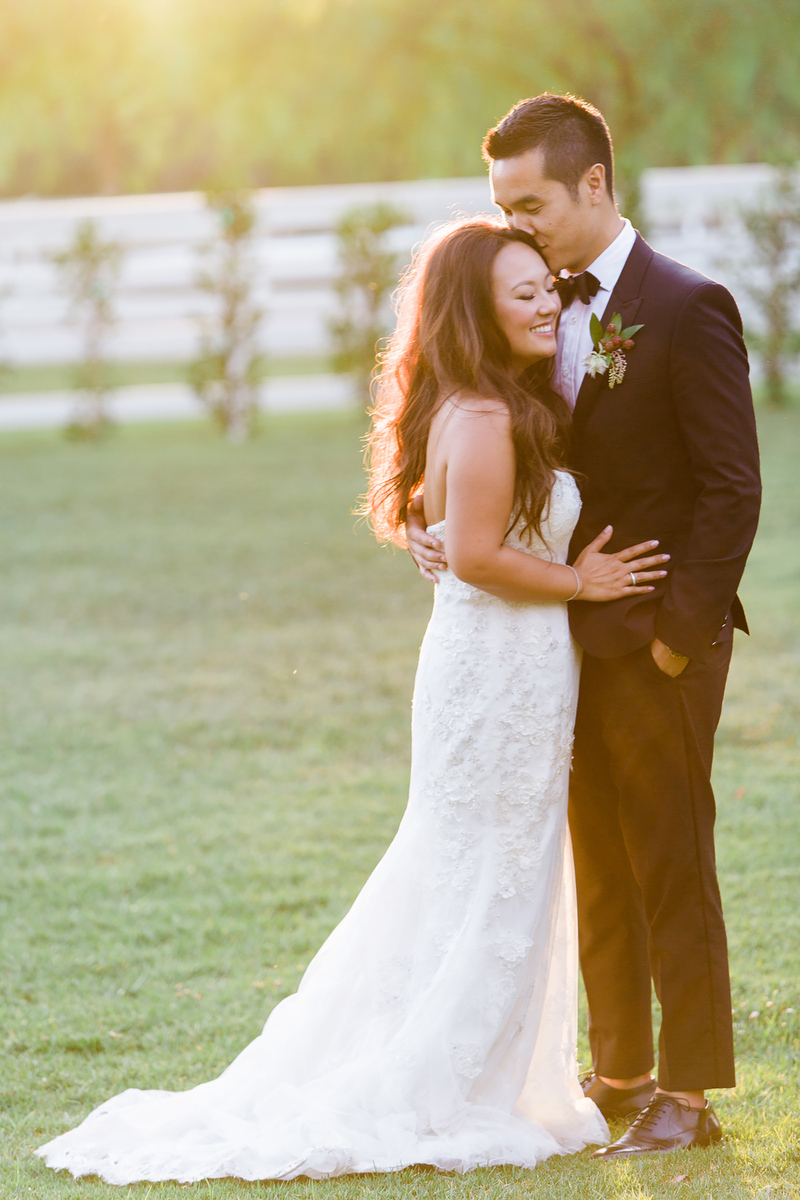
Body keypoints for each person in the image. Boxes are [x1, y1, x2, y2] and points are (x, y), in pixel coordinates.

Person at [36, 218, 670, 1185]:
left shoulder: (479, 401)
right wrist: (582, 584)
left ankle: (488, 1071)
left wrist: (445, 539)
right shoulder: (490, 415)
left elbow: (435, 518)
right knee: (490, 867)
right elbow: (475, 553)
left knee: (485, 865)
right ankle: (448, 1078)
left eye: (548, 285)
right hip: (500, 673)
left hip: (501, 663)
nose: (549, 301)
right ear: (476, 311)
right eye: (524, 293)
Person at [407, 94, 761, 1159]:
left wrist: (675, 635)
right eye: (500, 206)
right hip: (550, 642)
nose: (517, 224)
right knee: (593, 861)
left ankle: (688, 1095)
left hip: (656, 638)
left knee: (667, 857)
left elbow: (728, 489)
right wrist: (435, 534)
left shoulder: (687, 306)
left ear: (593, 185)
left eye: (530, 203)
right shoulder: (529, 304)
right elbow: (480, 451)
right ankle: (620, 1071)